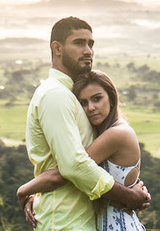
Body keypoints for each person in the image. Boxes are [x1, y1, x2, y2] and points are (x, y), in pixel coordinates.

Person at [22, 17, 150, 231]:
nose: (88, 50)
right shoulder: (56, 95)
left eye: (91, 44)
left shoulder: (68, 95)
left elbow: (67, 162)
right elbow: (73, 165)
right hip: (65, 221)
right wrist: (129, 195)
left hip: (81, 220)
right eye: (79, 43)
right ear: (57, 48)